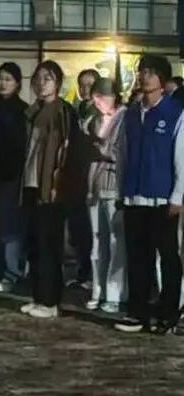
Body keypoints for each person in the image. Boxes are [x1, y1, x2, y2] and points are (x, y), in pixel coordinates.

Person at [115, 54, 184, 334]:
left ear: (162, 79)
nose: (144, 77)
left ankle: (168, 313)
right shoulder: (131, 114)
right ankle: (137, 312)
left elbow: (181, 157)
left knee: (167, 257)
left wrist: (178, 196)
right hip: (135, 195)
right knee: (137, 256)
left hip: (162, 198)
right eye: (142, 71)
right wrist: (122, 189)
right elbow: (123, 153)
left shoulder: (175, 113)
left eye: (151, 72)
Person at [20, 60, 78, 319]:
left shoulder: (63, 112)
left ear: (58, 83)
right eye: (39, 78)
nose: (42, 84)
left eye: (48, 78)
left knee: (48, 245)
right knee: (33, 243)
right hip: (30, 184)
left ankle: (50, 300)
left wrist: (58, 183)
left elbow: (67, 151)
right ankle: (38, 296)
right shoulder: (33, 111)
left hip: (51, 188)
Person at [83, 78, 127, 315]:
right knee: (97, 239)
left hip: (114, 184)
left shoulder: (123, 118)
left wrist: (103, 149)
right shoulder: (92, 120)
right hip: (94, 186)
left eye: (102, 96)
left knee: (115, 240)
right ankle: (97, 289)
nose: (98, 101)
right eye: (95, 97)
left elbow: (122, 151)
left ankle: (115, 292)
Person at [0, 62, 28, 292]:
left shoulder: (23, 111)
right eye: (0, 78)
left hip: (12, 176)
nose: (2, 83)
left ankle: (12, 272)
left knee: (9, 227)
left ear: (18, 83)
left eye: (8, 79)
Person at [65, 68, 100, 289]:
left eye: (90, 85)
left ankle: (92, 276)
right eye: (82, 85)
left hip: (93, 177)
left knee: (92, 230)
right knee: (78, 228)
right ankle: (82, 270)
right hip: (75, 178)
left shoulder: (101, 114)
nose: (86, 89)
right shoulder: (76, 112)